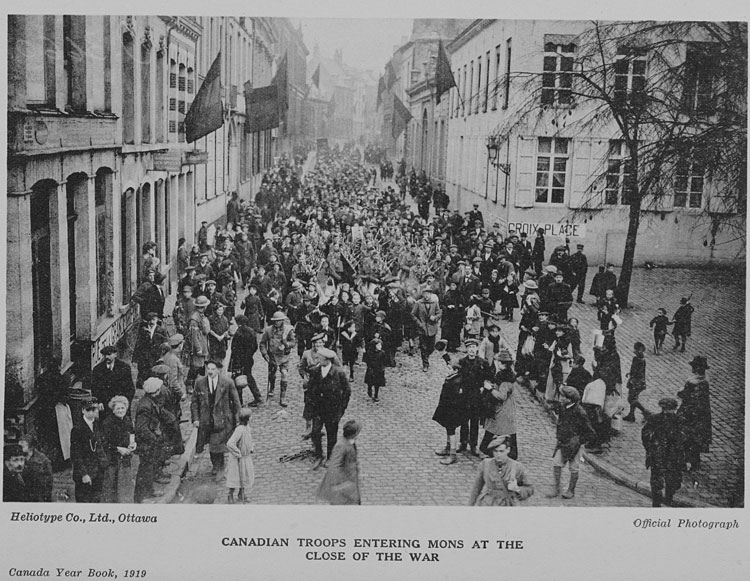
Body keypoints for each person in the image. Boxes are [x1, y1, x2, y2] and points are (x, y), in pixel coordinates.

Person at [191, 361, 241, 477]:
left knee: (219, 443)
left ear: (218, 370)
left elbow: (236, 402)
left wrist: (238, 419)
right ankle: (216, 465)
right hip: (207, 419)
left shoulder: (227, 382)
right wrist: (195, 418)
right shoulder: (200, 383)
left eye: (213, 369)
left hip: (223, 418)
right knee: (211, 443)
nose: (210, 371)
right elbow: (194, 402)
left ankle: (220, 467)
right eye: (208, 369)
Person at [546, 386, 595, 500]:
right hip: (563, 442)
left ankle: (570, 490)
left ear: (570, 399)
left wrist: (578, 441)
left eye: (563, 396)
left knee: (574, 467)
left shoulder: (580, 412)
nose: (561, 398)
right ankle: (556, 489)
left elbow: (590, 432)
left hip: (575, 445)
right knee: (557, 463)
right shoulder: (564, 407)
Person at [307, 347, 351, 470]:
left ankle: (330, 457)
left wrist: (341, 409)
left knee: (332, 435)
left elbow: (347, 392)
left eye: (320, 358)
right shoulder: (315, 371)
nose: (317, 359)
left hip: (332, 410)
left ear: (327, 360)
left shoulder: (338, 373)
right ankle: (318, 456)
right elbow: (310, 389)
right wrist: (311, 405)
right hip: (318, 409)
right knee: (315, 432)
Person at [133, 378, 173, 503]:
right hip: (146, 444)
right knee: (144, 470)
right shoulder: (145, 406)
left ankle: (149, 491)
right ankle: (141, 496)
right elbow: (141, 428)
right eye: (158, 390)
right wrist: (154, 439)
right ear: (154, 391)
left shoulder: (150, 401)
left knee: (149, 468)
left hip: (150, 442)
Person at [642, 397, 685, 507]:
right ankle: (656, 503)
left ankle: (668, 499)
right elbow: (645, 435)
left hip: (673, 456)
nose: (667, 411)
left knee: (672, 481)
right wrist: (650, 448)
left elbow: (684, 439)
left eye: (670, 409)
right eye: (666, 409)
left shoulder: (679, 420)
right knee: (656, 481)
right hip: (658, 455)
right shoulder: (654, 419)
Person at [468, 435, 534, 506]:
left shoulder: (517, 467)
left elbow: (530, 489)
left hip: (508, 504)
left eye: (501, 451)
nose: (498, 454)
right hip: (488, 504)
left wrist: (517, 489)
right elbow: (476, 488)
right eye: (495, 451)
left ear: (508, 450)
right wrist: (469, 507)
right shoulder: (485, 464)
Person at [478, 350, 518, 459]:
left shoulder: (506, 379)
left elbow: (501, 396)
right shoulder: (503, 374)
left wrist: (489, 388)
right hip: (505, 408)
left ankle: (488, 450)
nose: (497, 363)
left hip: (503, 409)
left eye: (499, 362)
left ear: (503, 363)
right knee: (501, 429)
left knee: (497, 429)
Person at [70, 399, 109, 503]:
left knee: (96, 500)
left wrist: (104, 463)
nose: (92, 412)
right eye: (89, 410)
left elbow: (99, 445)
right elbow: (75, 454)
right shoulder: (77, 429)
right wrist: (84, 474)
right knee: (84, 501)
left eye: (94, 409)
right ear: (83, 410)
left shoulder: (96, 424)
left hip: (97, 470)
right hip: (85, 472)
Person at [456, 339, 491, 458]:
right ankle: (463, 443)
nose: (471, 349)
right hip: (464, 396)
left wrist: (484, 386)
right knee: (463, 421)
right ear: (466, 349)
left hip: (477, 397)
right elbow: (457, 377)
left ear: (477, 349)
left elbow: (489, 377)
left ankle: (474, 445)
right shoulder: (462, 362)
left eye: (474, 347)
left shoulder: (482, 363)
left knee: (475, 421)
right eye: (469, 347)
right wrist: (459, 388)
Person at [677, 356, 712, 472]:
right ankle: (695, 462)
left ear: (696, 368)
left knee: (685, 437)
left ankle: (683, 462)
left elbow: (684, 395)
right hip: (702, 414)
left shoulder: (692, 382)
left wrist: (681, 391)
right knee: (697, 439)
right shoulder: (705, 381)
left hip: (689, 413)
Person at [316, 419, 362, 505]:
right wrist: (337, 485)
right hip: (343, 483)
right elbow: (334, 465)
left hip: (350, 480)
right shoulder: (341, 445)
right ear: (353, 433)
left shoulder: (350, 442)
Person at [101, 396, 137, 503]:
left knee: (125, 483)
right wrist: (118, 449)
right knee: (111, 484)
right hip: (112, 458)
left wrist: (133, 443)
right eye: (118, 409)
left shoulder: (127, 419)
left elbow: (132, 433)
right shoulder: (108, 423)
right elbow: (104, 443)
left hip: (125, 458)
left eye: (122, 408)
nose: (121, 411)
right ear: (113, 410)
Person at [259, 311, 296, 406]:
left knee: (284, 374)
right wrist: (264, 353)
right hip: (272, 356)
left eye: (279, 321)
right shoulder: (268, 330)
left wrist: (286, 344)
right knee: (272, 374)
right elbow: (262, 343)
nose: (277, 323)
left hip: (284, 356)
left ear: (282, 321)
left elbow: (293, 342)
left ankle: (282, 396)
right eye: (275, 321)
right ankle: (271, 388)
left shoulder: (288, 330)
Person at [89, 346, 135, 415]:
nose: (106, 357)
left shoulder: (124, 368)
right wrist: (99, 402)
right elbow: (95, 388)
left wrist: (125, 402)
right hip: (105, 406)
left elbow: (130, 388)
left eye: (109, 354)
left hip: (121, 405)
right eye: (105, 355)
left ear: (115, 355)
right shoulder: (98, 370)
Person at [229, 315, 263, 407]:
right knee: (248, 377)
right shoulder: (251, 331)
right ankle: (257, 397)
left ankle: (239, 402)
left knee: (238, 380)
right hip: (248, 360)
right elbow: (255, 346)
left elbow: (235, 349)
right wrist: (249, 356)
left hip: (239, 361)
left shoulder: (239, 333)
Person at [225, 408, 255, 504]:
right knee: (235, 477)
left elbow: (248, 440)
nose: (252, 417)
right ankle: (230, 495)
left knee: (245, 476)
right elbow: (230, 443)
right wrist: (238, 453)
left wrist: (250, 448)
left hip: (246, 457)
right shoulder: (239, 429)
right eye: (251, 416)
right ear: (247, 418)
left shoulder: (247, 427)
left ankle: (241, 494)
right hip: (238, 459)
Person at [411, 286, 442, 372]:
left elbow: (439, 313)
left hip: (432, 329)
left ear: (431, 294)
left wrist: (435, 317)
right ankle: (425, 364)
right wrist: (419, 323)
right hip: (422, 329)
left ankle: (427, 355)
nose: (427, 295)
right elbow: (413, 314)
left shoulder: (435, 302)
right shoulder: (418, 303)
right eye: (425, 294)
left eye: (428, 294)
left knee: (431, 347)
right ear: (423, 294)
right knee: (423, 347)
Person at [18, 434, 53, 502]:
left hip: (38, 495)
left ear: (31, 447)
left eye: (22, 447)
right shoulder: (17, 458)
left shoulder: (42, 460)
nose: (19, 449)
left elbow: (48, 482)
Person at [623, 342, 649, 423]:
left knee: (631, 399)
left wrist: (632, 377)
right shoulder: (637, 358)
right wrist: (630, 373)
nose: (634, 350)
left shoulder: (640, 360)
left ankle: (645, 412)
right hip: (636, 381)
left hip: (636, 382)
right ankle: (631, 415)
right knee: (633, 398)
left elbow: (638, 372)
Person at [363, 337, 388, 402]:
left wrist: (383, 368)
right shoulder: (370, 353)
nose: (380, 347)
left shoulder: (382, 353)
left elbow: (384, 361)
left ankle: (376, 395)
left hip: (379, 370)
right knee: (370, 381)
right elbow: (367, 360)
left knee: (377, 383)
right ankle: (369, 388)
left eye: (380, 345)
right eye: (378, 345)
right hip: (371, 369)